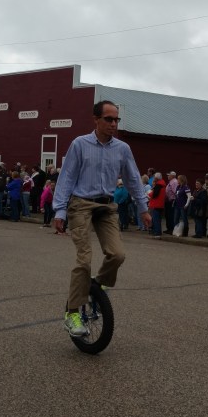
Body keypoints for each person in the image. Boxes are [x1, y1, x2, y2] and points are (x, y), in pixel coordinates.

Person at [52, 100, 151, 336]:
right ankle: (72, 314)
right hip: (81, 204)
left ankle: (97, 285)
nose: (114, 124)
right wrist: (60, 210)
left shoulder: (122, 149)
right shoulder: (80, 144)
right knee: (84, 260)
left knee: (117, 254)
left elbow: (133, 178)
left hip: (107, 206)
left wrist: (143, 208)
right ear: (96, 120)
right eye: (109, 119)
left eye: (116, 119)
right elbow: (66, 178)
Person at [148, 172, 166, 238]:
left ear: (156, 178)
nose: (154, 179)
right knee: (158, 219)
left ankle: (157, 233)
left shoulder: (158, 185)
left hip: (157, 204)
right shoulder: (162, 184)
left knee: (156, 219)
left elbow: (155, 194)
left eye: (154, 177)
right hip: (160, 204)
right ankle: (158, 232)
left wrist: (149, 194)